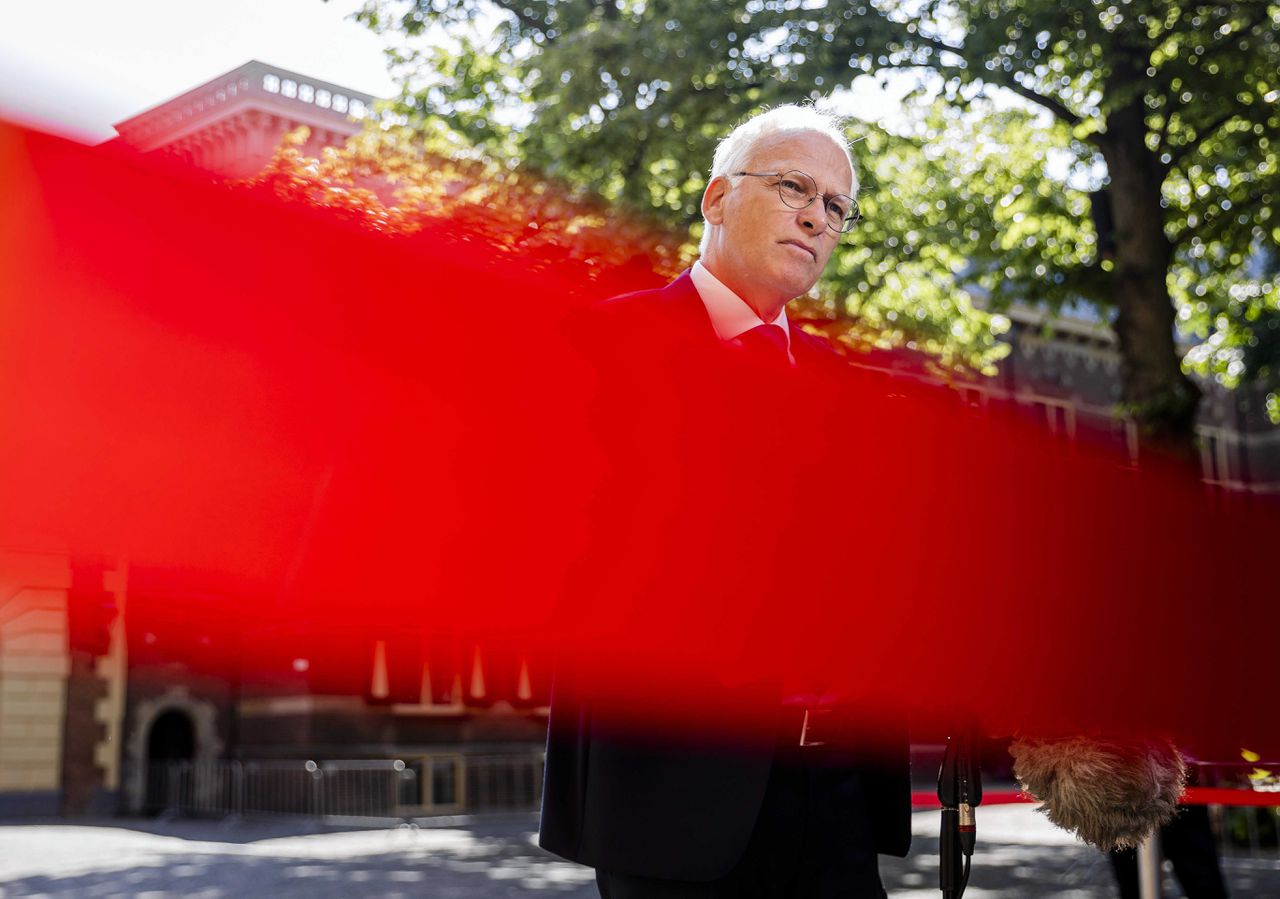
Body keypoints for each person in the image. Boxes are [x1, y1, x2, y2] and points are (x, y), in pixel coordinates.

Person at [538, 105, 911, 899]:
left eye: (836, 206)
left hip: (840, 792)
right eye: (793, 187)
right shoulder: (596, 350)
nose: (817, 215)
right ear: (715, 199)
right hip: (672, 801)